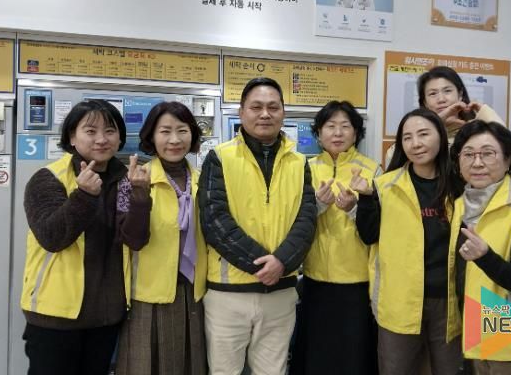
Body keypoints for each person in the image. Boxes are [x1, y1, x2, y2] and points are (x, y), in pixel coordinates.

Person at [20, 99, 151, 375]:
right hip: (55, 317)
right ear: (72, 137)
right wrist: (83, 196)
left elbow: (135, 239)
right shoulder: (48, 179)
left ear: (119, 138)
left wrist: (140, 195)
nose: (101, 139)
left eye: (110, 131)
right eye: (90, 131)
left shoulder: (124, 181)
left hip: (105, 317)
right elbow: (52, 237)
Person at [198, 77, 317, 375]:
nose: (265, 114)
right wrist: (265, 264)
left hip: (281, 294)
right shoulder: (219, 157)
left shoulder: (299, 162)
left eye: (273, 107)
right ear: (241, 113)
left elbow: (306, 219)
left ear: (283, 113)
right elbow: (214, 219)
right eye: (256, 107)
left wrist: (282, 262)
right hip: (228, 294)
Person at [354, 108, 462, 375]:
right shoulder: (385, 185)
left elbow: (508, 173)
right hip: (399, 301)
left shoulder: (460, 185)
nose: (416, 143)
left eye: (424, 134)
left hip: (448, 303)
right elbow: (368, 235)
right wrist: (366, 198)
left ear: (441, 137)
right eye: (407, 137)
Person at [448, 120, 511, 374]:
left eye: (488, 153)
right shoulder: (460, 205)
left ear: (508, 161)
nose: (477, 163)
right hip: (474, 337)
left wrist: (485, 257)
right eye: (468, 154)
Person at [116, 102, 207, 375]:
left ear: (192, 135)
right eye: (165, 131)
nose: (175, 140)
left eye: (182, 130)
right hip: (149, 295)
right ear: (151, 137)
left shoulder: (203, 181)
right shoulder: (133, 180)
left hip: (194, 294)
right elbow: (132, 239)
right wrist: (140, 194)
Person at [290, 101, 379, 375]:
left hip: (357, 281)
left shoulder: (373, 170)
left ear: (356, 133)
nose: (338, 133)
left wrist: (354, 209)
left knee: (354, 356)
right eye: (330, 126)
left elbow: (378, 229)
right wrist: (317, 206)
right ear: (318, 133)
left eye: (345, 126)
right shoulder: (304, 168)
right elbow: (291, 222)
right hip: (314, 279)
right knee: (316, 354)